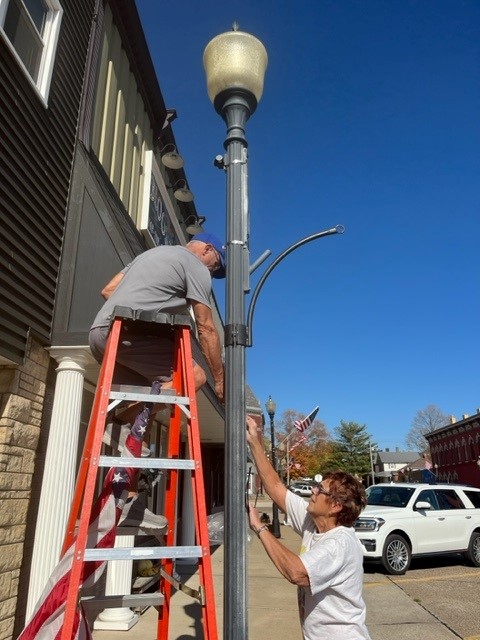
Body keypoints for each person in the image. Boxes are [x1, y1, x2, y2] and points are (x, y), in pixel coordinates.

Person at [246, 416, 371, 640]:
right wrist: (255, 442)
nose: (312, 492)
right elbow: (275, 487)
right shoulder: (312, 523)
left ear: (335, 506)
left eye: (319, 490)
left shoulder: (339, 544)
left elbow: (297, 572)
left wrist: (260, 528)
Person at [89, 232, 225, 404]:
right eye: (214, 266)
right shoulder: (196, 266)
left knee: (152, 389)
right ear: (207, 249)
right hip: (127, 337)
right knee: (195, 377)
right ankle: (132, 419)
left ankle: (124, 424)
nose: (211, 272)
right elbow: (206, 328)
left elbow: (108, 290)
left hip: (99, 334)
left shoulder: (151, 254)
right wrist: (220, 382)